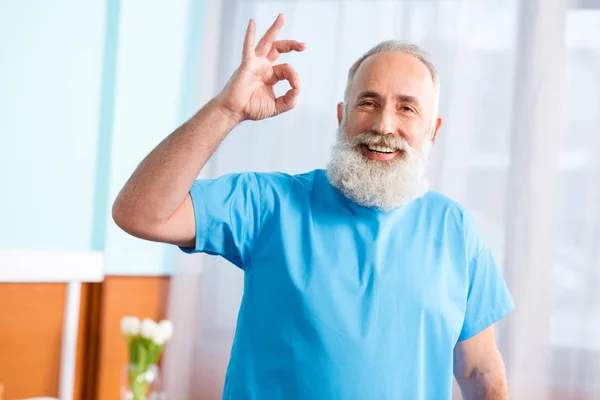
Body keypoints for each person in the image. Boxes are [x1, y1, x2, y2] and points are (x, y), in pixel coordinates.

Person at [113, 14, 514, 400]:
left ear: (433, 131)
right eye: (368, 103)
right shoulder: (268, 204)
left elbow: (480, 371)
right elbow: (140, 213)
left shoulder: (455, 230)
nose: (384, 125)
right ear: (341, 116)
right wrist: (227, 109)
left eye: (406, 108)